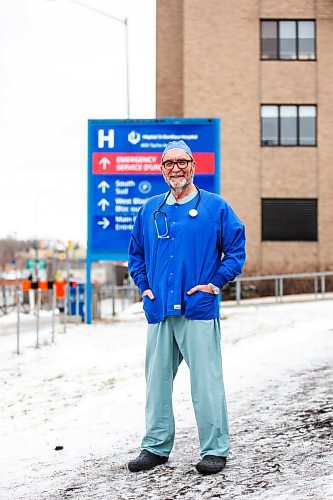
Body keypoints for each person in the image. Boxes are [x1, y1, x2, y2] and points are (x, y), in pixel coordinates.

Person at [127, 140, 246, 475]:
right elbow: (136, 253)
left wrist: (215, 283)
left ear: (193, 166)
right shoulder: (150, 209)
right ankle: (155, 446)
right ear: (161, 169)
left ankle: (215, 449)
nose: (176, 168)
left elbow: (235, 249)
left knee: (206, 382)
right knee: (157, 382)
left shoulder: (215, 207)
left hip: (197, 308)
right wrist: (145, 287)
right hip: (159, 308)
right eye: (169, 163)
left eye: (182, 161)